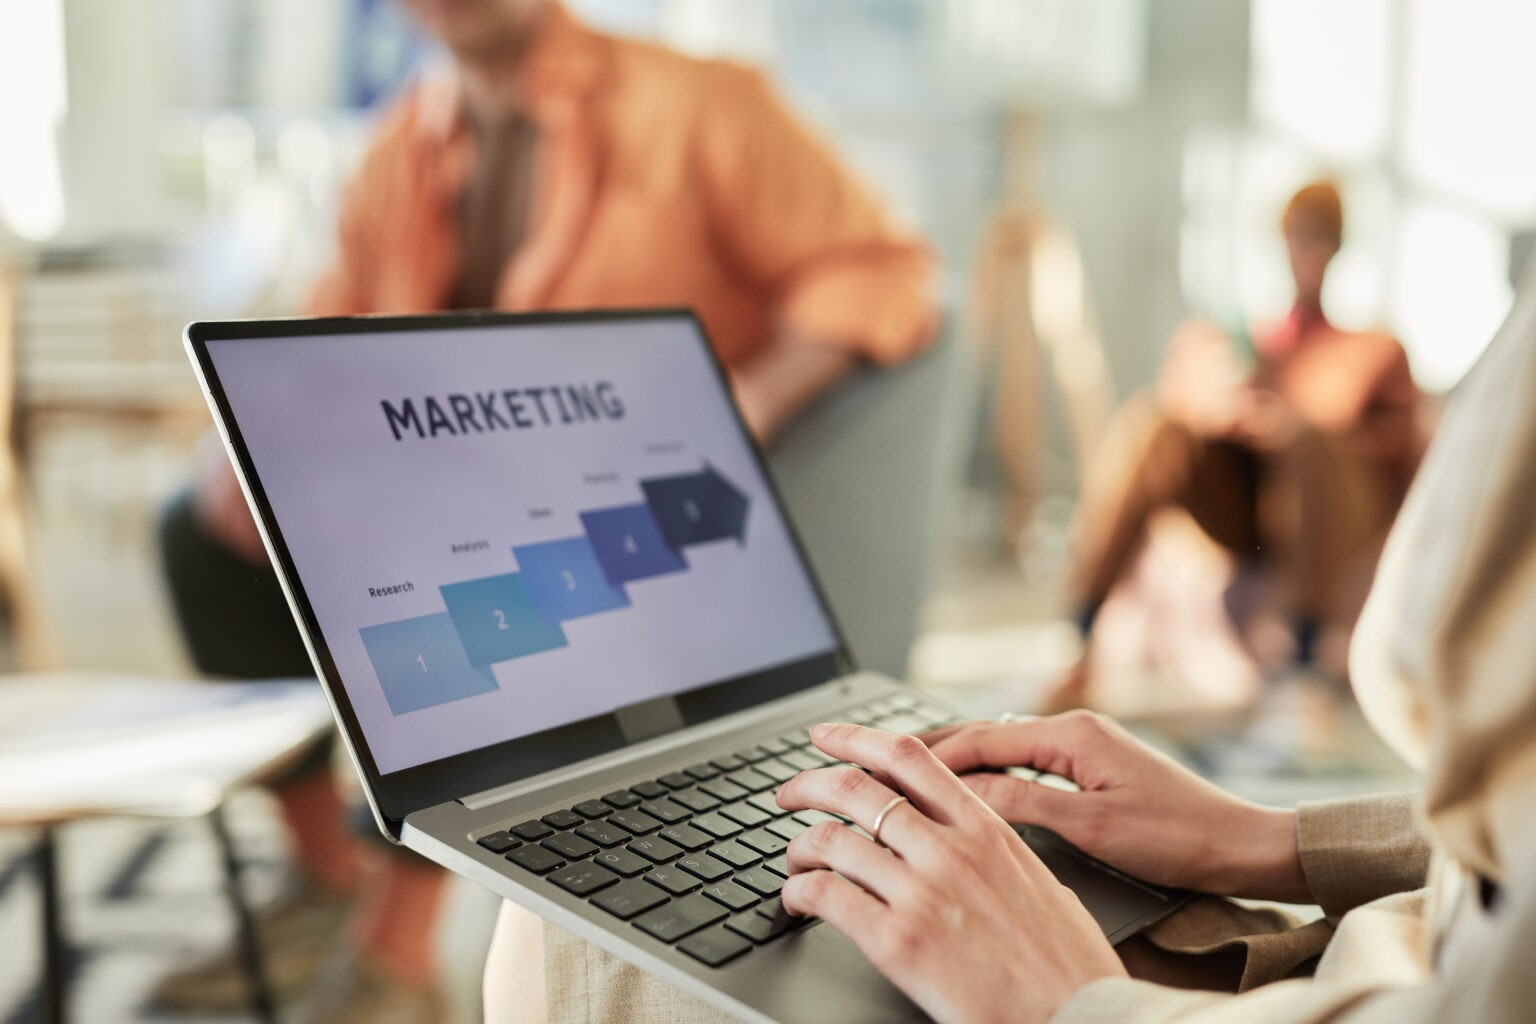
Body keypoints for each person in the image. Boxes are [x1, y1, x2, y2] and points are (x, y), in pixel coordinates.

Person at [485, 265, 1536, 1023]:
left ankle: (1293, 649)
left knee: (576, 936)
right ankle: (1074, 633)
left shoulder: (1371, 343)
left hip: (1339, 985)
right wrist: (1272, 839)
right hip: (1366, 935)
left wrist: (1076, 1003)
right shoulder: (1270, 317)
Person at [157, 1, 934, 1018]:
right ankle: (325, 879)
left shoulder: (705, 104)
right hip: (456, 471)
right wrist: (259, 446)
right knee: (202, 528)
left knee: (472, 572)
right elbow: (329, 319)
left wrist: (754, 397)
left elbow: (880, 269)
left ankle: (394, 952)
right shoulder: (402, 142)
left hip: (643, 487)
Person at [1057, 182, 1420, 707]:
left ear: (1338, 246)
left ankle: (1302, 664)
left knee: (1308, 440)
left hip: (1336, 511)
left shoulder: (1373, 349)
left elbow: (1398, 460)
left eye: (1318, 238)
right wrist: (1224, 410)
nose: (1306, 251)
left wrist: (1296, 430)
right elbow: (1183, 404)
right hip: (1250, 508)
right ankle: (1078, 631)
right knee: (1152, 424)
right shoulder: (1243, 342)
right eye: (1297, 236)